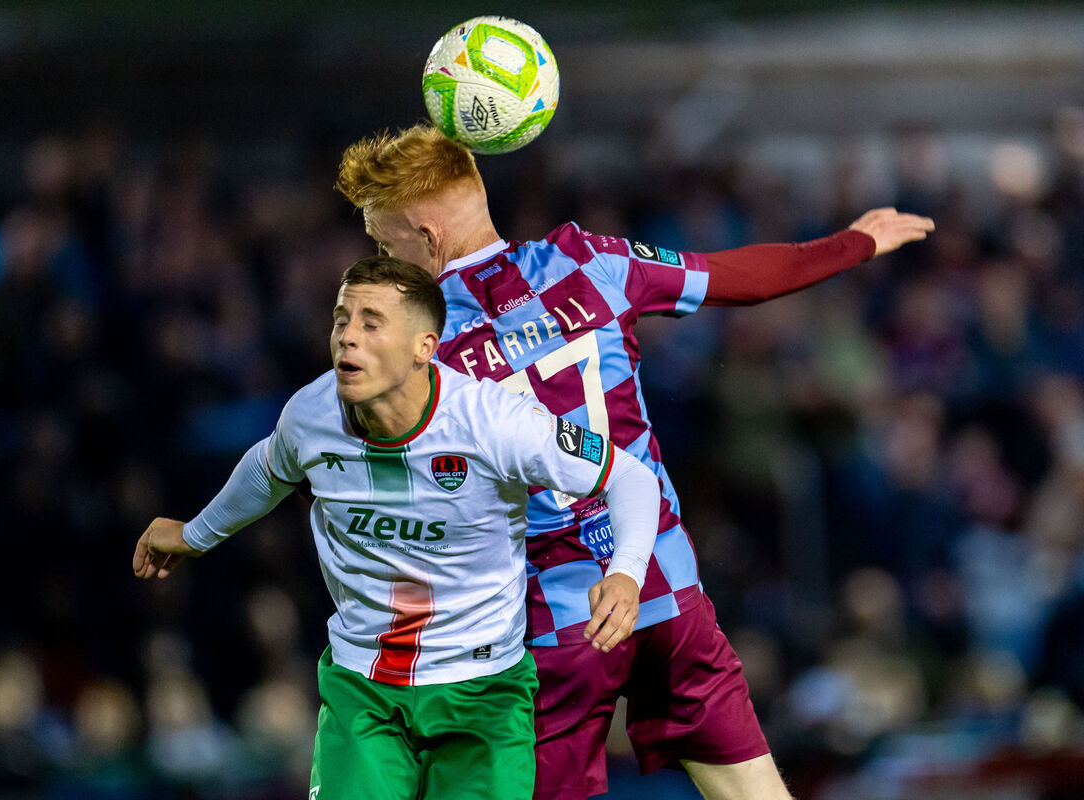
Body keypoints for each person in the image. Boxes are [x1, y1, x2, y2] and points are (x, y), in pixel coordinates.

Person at [335, 125, 936, 800]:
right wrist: (853, 244)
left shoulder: (420, 352)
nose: (384, 263)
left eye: (386, 245)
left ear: (426, 234)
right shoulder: (592, 263)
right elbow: (738, 278)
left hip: (557, 630)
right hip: (665, 590)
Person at [132, 255, 662, 800]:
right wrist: (197, 533)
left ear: (423, 348)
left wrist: (625, 573)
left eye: (370, 322)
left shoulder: (493, 422)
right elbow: (269, 469)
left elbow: (630, 477)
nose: (346, 338)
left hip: (483, 694)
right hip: (364, 689)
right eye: (341, 319)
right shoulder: (310, 415)